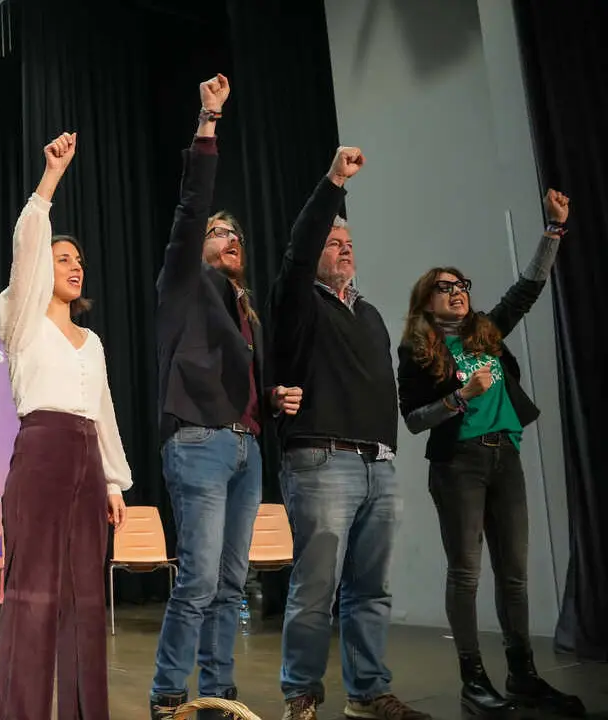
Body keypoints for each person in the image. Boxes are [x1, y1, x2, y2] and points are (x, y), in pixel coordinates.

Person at [396, 189, 583, 718]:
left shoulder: (486, 332)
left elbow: (527, 290)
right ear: (425, 302)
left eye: (460, 286)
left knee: (516, 574)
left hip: (507, 458)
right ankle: (473, 681)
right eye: (443, 288)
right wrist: (460, 398)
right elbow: (412, 420)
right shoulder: (418, 349)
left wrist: (553, 230)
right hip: (459, 465)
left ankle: (523, 676)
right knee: (467, 574)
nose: (456, 293)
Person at [150, 74, 302, 720]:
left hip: (246, 450)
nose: (228, 238)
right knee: (200, 578)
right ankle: (166, 693)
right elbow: (192, 206)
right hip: (200, 444)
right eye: (218, 232)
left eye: (233, 235)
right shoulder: (185, 281)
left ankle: (217, 692)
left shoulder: (248, 315)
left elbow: (242, 382)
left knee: (231, 583)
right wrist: (209, 119)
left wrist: (271, 401)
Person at [268, 148, 427, 720]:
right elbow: (300, 246)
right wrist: (334, 182)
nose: (344, 247)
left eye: (349, 242)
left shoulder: (372, 315)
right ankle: (301, 695)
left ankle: (368, 692)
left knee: (371, 590)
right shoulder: (299, 302)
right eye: (333, 243)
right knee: (316, 589)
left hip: (379, 465)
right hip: (322, 461)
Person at [0, 132, 131, 720]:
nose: (76, 267)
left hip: (86, 464)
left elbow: (103, 409)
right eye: (63, 258)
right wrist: (49, 181)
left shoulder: (92, 340)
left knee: (85, 600)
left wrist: (115, 480)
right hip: (43, 455)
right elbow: (27, 245)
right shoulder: (20, 318)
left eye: (80, 262)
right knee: (32, 598)